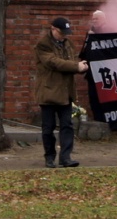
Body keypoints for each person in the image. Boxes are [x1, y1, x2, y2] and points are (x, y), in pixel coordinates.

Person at [34, 16, 89, 169]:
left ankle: (66, 157)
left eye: (66, 32)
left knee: (67, 126)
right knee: (48, 128)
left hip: (66, 92)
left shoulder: (68, 44)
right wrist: (75, 66)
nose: (64, 35)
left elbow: (70, 63)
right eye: (61, 32)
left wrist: (80, 66)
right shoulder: (43, 45)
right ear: (53, 29)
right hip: (49, 92)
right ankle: (49, 157)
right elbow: (53, 62)